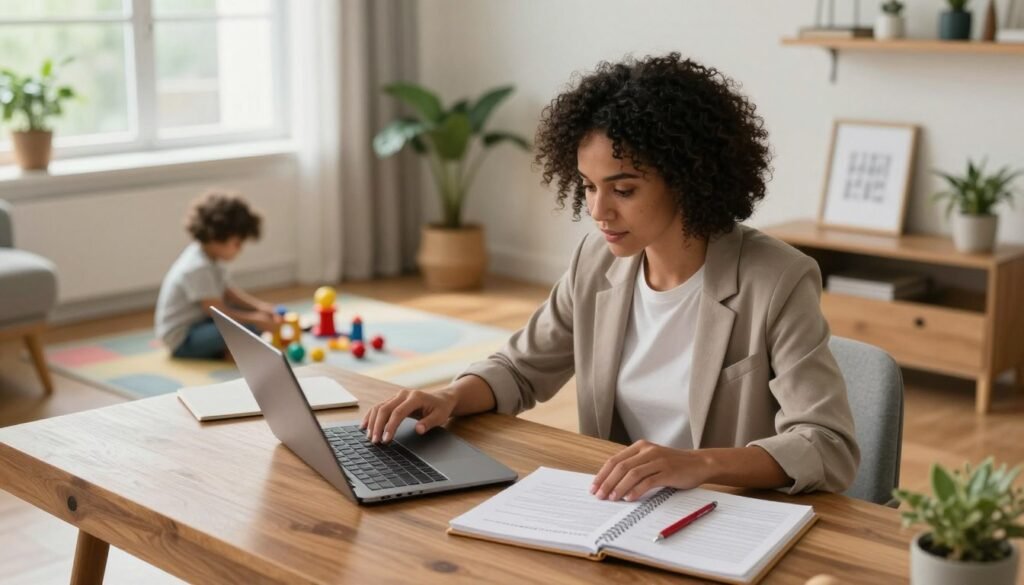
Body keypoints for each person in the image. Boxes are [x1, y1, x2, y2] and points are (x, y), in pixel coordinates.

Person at [362, 53, 859, 501]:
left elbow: (826, 444)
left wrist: (698, 464)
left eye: (623, 189)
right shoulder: (596, 261)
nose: (598, 211)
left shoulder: (778, 280)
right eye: (588, 187)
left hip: (730, 515)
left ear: (688, 178)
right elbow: (520, 368)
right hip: (621, 510)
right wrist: (449, 397)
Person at [155, 190, 280, 359]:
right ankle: (222, 352)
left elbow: (228, 292)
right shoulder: (197, 267)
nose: (240, 250)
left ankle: (225, 349)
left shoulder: (210, 257)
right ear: (217, 237)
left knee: (249, 322)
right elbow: (216, 311)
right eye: (237, 243)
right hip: (183, 338)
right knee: (248, 328)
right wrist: (256, 320)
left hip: (200, 323)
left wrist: (260, 308)